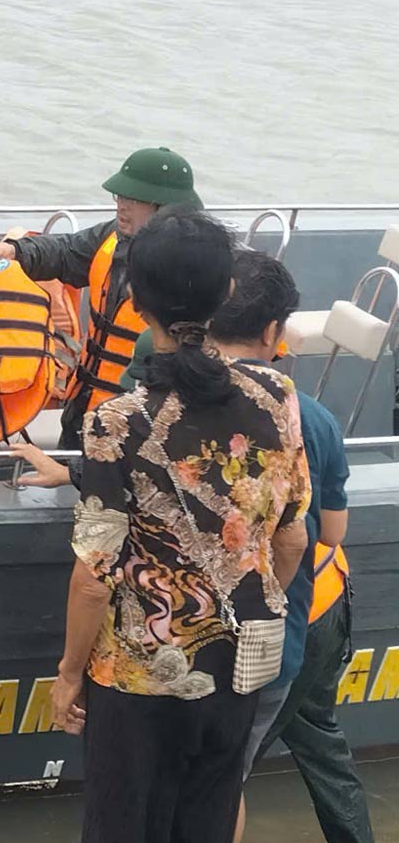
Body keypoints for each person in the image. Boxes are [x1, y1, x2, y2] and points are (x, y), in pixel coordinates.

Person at [52, 211, 310, 843]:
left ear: (137, 304)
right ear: (226, 293)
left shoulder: (117, 419)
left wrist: (67, 674)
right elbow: (292, 536)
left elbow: (94, 578)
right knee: (207, 822)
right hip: (238, 669)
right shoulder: (276, 393)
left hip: (139, 675)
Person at [211, 252, 372, 843]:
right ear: (275, 334)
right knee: (258, 768)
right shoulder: (317, 421)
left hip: (212, 630)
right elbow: (328, 535)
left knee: (207, 777)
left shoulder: (169, 407)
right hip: (298, 622)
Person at [0, 147, 203, 448]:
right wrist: (17, 250)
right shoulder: (110, 237)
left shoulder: (199, 269)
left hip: (141, 419)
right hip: (83, 404)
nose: (122, 206)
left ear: (165, 208)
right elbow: (65, 251)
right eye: (120, 197)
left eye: (134, 200)